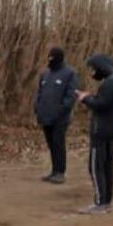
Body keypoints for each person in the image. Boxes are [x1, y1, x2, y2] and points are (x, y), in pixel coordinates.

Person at [75, 54, 113, 215]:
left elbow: (102, 104)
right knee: (107, 166)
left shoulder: (111, 82)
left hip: (102, 130)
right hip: (112, 129)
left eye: (94, 68)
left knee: (96, 167)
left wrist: (86, 98)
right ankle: (105, 201)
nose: (92, 72)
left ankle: (100, 202)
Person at [34, 47, 79, 184]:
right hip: (45, 116)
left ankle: (60, 172)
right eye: (49, 57)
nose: (50, 60)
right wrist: (37, 107)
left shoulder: (69, 73)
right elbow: (40, 93)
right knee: (51, 144)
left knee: (58, 143)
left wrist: (61, 110)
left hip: (60, 117)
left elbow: (70, 96)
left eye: (53, 58)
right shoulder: (45, 75)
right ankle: (54, 170)